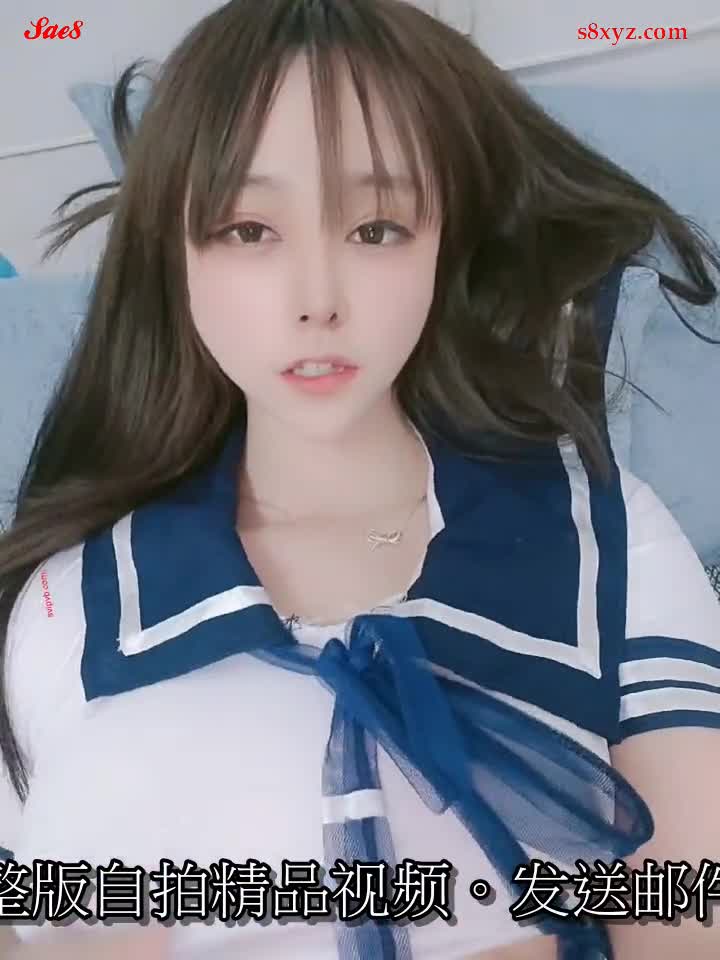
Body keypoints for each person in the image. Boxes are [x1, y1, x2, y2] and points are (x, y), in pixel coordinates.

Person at [1, 1, 719, 958]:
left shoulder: (607, 535)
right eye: (249, 229)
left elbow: (683, 924)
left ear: (445, 240)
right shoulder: (67, 610)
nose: (318, 301)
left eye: (376, 228)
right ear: (176, 256)